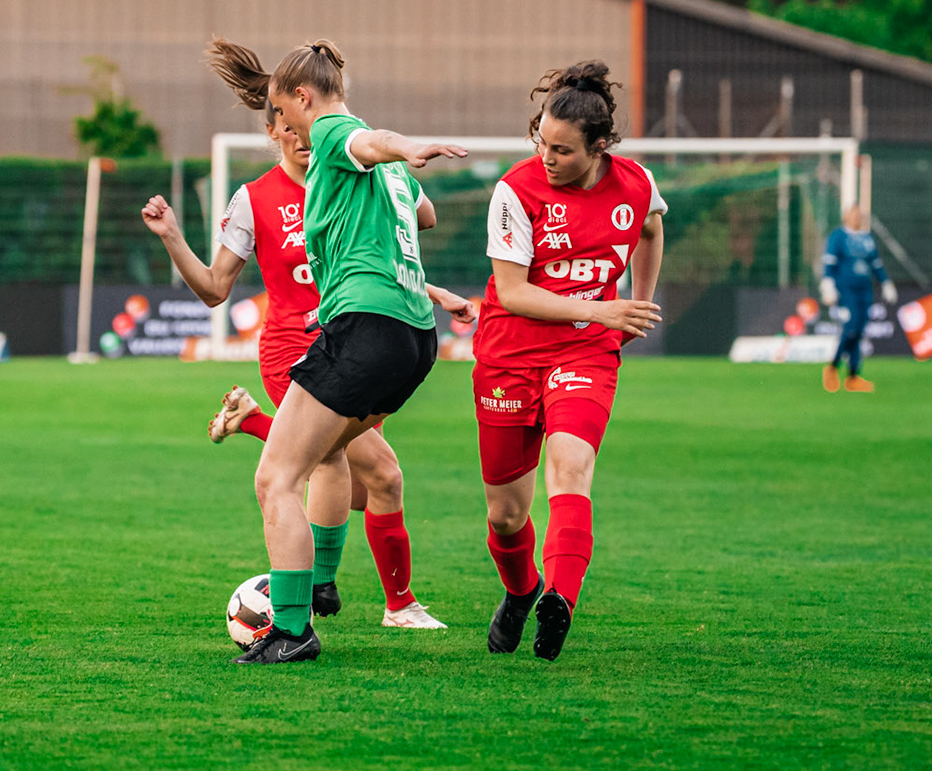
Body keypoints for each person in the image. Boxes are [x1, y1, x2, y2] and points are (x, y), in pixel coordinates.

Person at [141, 39, 470, 631]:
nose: (296, 134)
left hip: (358, 335)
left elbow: (407, 208)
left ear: (302, 106)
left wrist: (420, 274)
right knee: (360, 472)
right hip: (299, 347)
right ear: (273, 131)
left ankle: (309, 597)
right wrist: (171, 236)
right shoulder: (258, 197)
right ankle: (343, 598)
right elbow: (217, 288)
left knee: (342, 475)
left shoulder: (348, 157)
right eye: (283, 128)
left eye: (297, 122)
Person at [227, 40, 466, 665]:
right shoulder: (381, 171)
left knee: (276, 478)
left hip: (363, 329)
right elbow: (426, 217)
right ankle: (323, 589)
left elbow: (365, 139)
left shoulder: (335, 130)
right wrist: (396, 164)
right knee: (331, 455)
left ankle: (292, 628)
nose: (282, 126)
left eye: (283, 110)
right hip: (414, 337)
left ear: (304, 99)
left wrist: (403, 145)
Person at [472, 61, 664, 661]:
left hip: (585, 352)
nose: (547, 158)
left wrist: (638, 303)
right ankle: (522, 589)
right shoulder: (515, 190)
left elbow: (653, 228)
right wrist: (606, 310)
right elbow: (513, 292)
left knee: (571, 470)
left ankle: (560, 597)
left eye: (562, 150)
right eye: (541, 143)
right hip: (508, 355)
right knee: (506, 516)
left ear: (599, 147)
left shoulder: (635, 184)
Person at [820, 206, 895, 393]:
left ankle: (853, 377)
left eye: (859, 215)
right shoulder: (838, 237)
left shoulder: (867, 238)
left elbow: (876, 264)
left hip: (865, 290)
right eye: (853, 215)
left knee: (860, 332)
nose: (856, 218)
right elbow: (829, 263)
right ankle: (832, 367)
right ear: (845, 216)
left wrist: (885, 283)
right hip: (846, 290)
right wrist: (828, 285)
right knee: (851, 328)